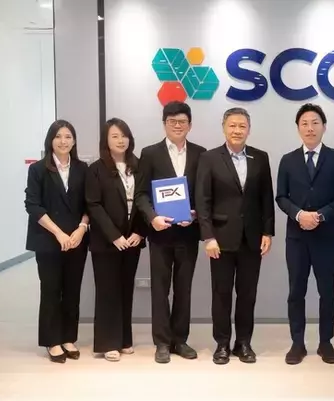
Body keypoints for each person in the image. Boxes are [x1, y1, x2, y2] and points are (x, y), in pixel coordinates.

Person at [275, 103, 334, 365]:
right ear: (298, 128)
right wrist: (299, 215)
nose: (310, 128)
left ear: (324, 127)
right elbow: (281, 197)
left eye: (315, 123)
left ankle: (325, 342)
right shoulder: (288, 160)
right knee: (296, 291)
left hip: (325, 236)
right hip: (296, 237)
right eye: (305, 123)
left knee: (326, 291)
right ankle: (297, 343)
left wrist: (321, 215)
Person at [196, 107, 275, 365]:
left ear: (249, 130)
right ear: (224, 128)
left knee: (247, 294)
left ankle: (243, 343)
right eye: (232, 125)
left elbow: (266, 197)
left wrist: (268, 231)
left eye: (242, 126)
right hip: (220, 239)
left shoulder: (260, 157)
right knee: (221, 294)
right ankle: (222, 343)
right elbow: (203, 200)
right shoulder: (209, 158)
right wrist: (208, 236)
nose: (237, 130)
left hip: (252, 238)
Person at [134, 101, 206, 364]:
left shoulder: (200, 154)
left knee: (184, 289)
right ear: (164, 123)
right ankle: (162, 342)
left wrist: (195, 214)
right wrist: (152, 217)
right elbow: (141, 194)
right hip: (160, 235)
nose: (177, 125)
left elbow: (203, 194)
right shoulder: (150, 153)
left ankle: (180, 340)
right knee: (160, 289)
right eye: (172, 121)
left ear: (190, 125)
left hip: (188, 234)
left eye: (182, 121)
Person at [24, 120, 89, 363]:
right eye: (58, 136)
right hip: (48, 239)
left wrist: (81, 228)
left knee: (72, 290)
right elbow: (33, 205)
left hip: (76, 239)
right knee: (51, 290)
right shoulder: (38, 169)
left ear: (74, 141)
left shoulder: (82, 168)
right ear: (50, 140)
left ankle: (69, 337)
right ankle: (52, 341)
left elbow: (90, 203)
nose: (63, 141)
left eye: (68, 136)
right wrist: (58, 233)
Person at [86, 118, 147, 362]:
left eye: (124, 135)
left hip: (132, 239)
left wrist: (140, 232)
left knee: (125, 289)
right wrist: (114, 236)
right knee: (107, 291)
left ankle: (124, 339)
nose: (121, 140)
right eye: (115, 136)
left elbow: (145, 201)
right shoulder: (96, 169)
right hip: (106, 241)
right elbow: (94, 205)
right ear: (106, 140)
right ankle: (107, 342)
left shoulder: (139, 166)